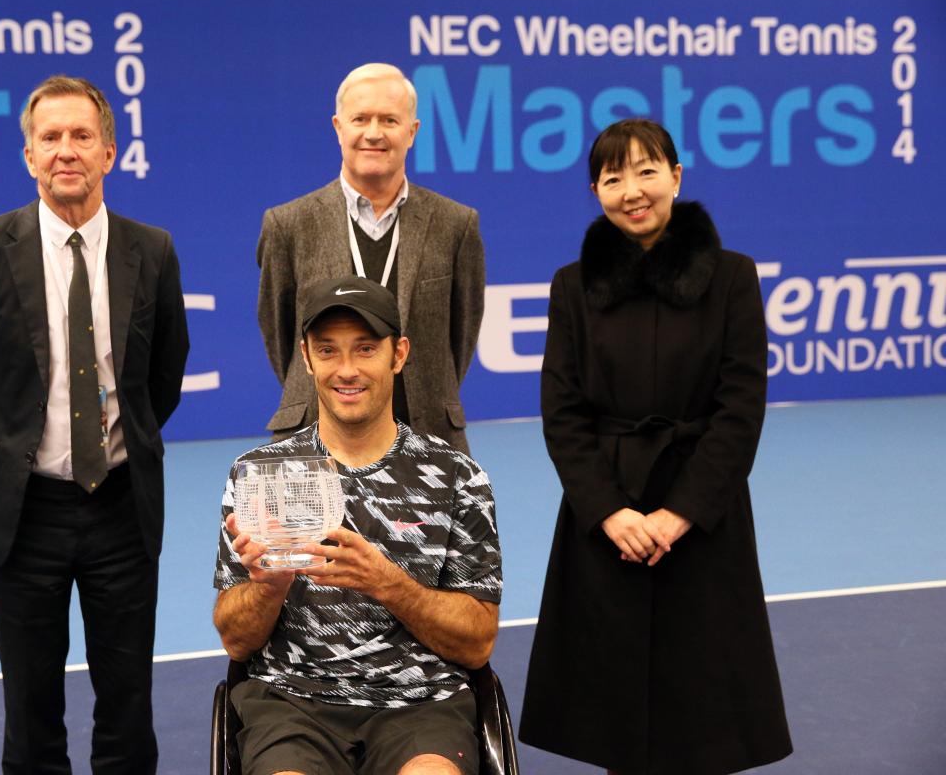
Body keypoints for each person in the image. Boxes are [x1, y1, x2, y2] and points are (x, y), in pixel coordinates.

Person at [518, 118, 792, 774]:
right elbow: (562, 412)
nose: (632, 190)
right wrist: (609, 511)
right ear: (596, 190)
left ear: (676, 175)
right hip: (608, 518)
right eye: (614, 178)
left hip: (702, 519)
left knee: (703, 712)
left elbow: (740, 408)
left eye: (647, 170)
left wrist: (681, 512)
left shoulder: (731, 277)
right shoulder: (571, 286)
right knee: (615, 719)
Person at [0, 75, 189, 774]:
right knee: (31, 708)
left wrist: (113, 450)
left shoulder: (153, 251)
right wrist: (8, 449)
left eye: (82, 137)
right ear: (28, 156)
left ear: (111, 152)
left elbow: (162, 377)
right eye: (50, 138)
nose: (65, 151)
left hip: (121, 511)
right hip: (21, 515)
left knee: (128, 705)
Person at [214, 276, 502, 775]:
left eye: (365, 349)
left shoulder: (458, 477)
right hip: (290, 702)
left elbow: (477, 644)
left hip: (422, 705)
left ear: (399, 354)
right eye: (328, 351)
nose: (346, 370)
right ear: (307, 357)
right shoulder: (258, 476)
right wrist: (270, 587)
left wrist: (388, 584)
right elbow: (236, 642)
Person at [257, 62, 485, 454]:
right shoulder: (288, 224)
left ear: (412, 132)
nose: (374, 133)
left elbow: (460, 337)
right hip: (317, 435)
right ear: (338, 127)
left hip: (428, 435)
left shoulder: (455, 224)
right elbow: (283, 338)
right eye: (360, 118)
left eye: (389, 120)